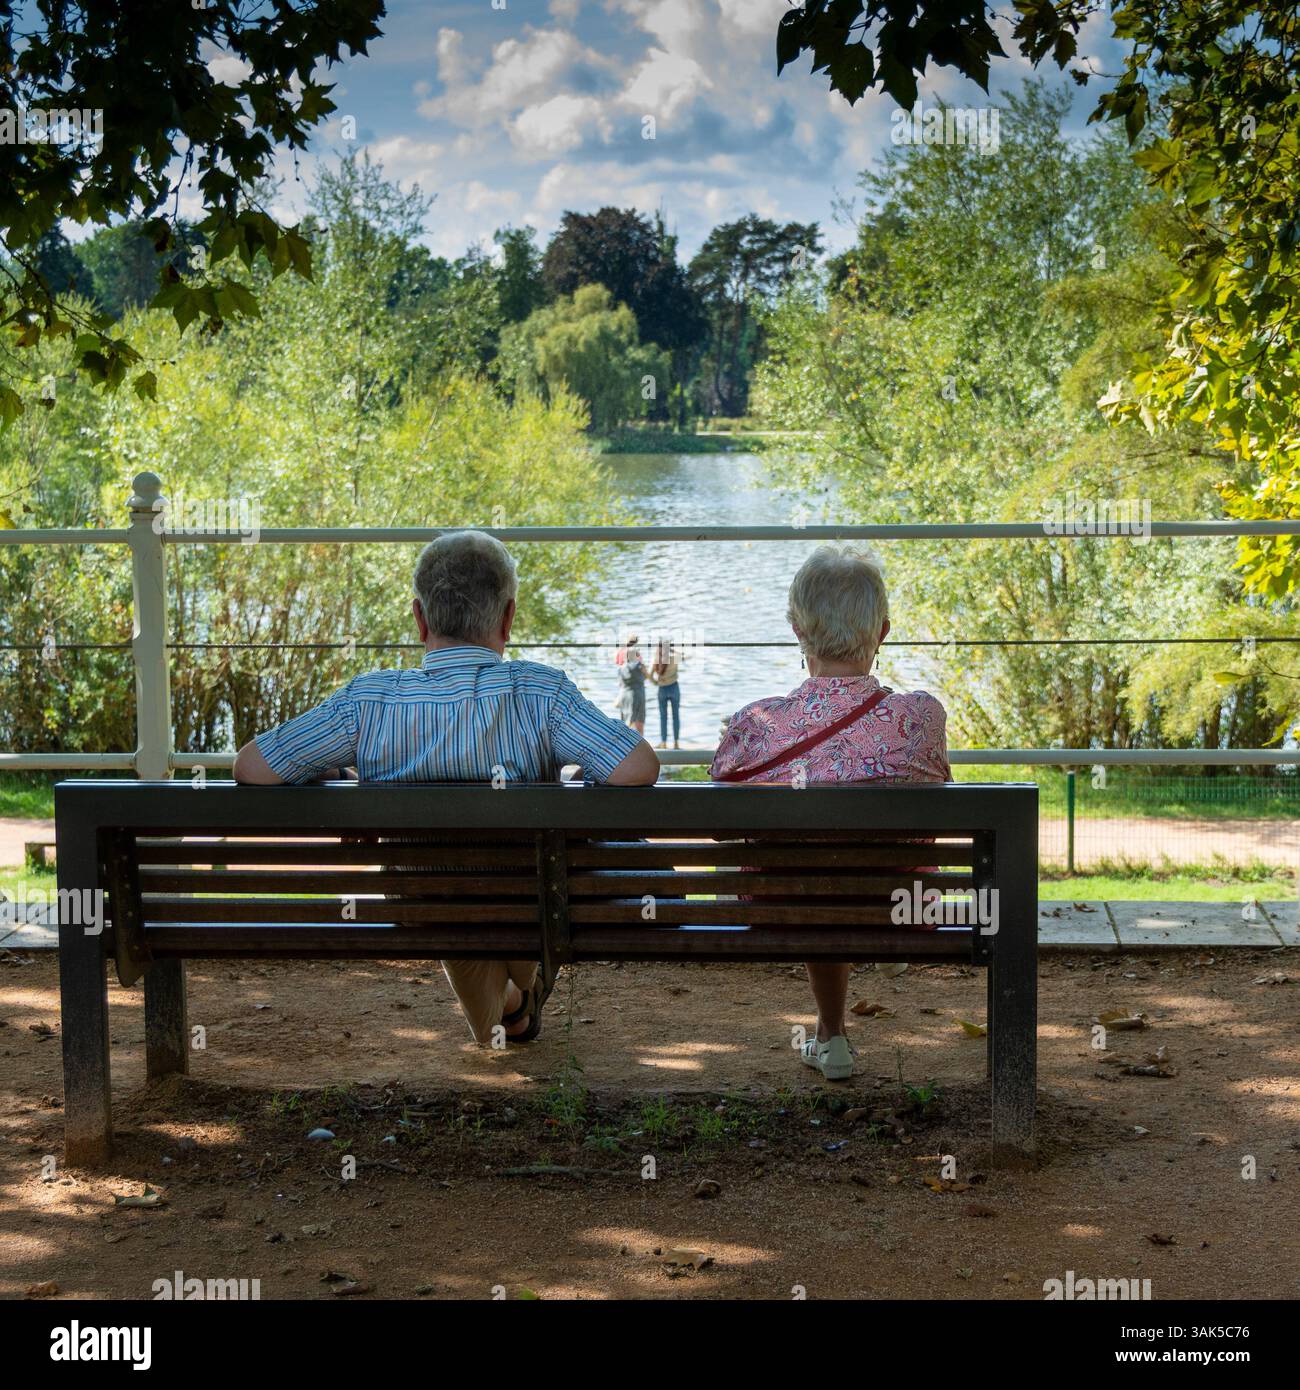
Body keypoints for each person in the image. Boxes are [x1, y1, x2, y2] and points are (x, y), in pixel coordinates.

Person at [233, 530, 659, 1045]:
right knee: (522, 891)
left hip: (420, 904)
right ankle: (519, 1001)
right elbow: (637, 766)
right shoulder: (541, 693)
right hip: (529, 902)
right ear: (508, 619)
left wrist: (331, 776)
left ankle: (513, 1008)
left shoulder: (369, 701)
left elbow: (252, 766)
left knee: (455, 906)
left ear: (419, 618)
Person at [710, 545, 950, 1082]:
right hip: (892, 898)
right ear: (883, 631)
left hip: (785, 901)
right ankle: (835, 1027)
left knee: (811, 877)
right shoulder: (920, 716)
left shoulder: (756, 723)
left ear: (796, 628)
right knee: (846, 871)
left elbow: (721, 817)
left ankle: (832, 1036)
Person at [649, 638, 681, 749]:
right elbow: (682, 655)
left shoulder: (657, 660)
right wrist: (671, 650)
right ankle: (676, 743)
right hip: (674, 688)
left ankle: (663, 742)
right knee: (675, 716)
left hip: (662, 689)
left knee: (663, 717)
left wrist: (656, 683)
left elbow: (650, 676)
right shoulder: (674, 658)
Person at [615, 635, 646, 735]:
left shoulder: (620, 651)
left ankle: (624, 744)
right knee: (637, 720)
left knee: (624, 717)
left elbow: (618, 664)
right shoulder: (635, 653)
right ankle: (639, 743)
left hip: (623, 686)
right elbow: (641, 670)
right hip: (636, 688)